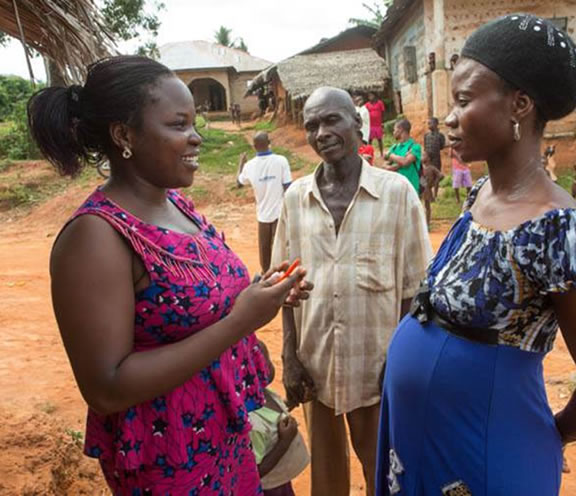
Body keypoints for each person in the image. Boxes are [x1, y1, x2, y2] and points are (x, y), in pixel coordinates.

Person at [27, 55, 312, 495]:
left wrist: (262, 293)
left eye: (193, 123)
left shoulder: (178, 207)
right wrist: (241, 321)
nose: (195, 138)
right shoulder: (97, 237)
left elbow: (198, 305)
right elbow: (106, 387)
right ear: (124, 135)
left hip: (232, 435)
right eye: (178, 125)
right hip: (174, 459)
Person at [377, 15, 576, 496]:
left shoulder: (554, 227)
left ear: (519, 104)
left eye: (464, 100)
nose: (450, 118)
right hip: (420, 442)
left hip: (483, 454)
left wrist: (544, 435)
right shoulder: (480, 196)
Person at [272, 86, 432, 496]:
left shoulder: (397, 195)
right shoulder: (295, 199)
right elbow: (284, 287)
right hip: (315, 366)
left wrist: (400, 363)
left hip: (378, 370)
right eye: (311, 125)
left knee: (386, 475)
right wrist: (291, 357)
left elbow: (416, 292)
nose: (321, 132)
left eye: (331, 120)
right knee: (327, 483)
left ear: (357, 124)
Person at [249, 341, 310, 496]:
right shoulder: (252, 424)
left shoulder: (265, 394)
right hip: (269, 489)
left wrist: (291, 403)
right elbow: (256, 472)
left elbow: (272, 417)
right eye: (264, 364)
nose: (269, 368)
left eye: (268, 361)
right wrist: (285, 441)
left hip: (281, 482)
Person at [237, 132, 292, 272]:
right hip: (280, 214)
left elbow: (239, 182)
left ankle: (266, 275)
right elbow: (288, 188)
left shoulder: (249, 166)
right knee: (281, 248)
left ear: (254, 146)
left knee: (264, 250)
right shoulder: (281, 161)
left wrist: (241, 163)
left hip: (262, 215)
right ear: (269, 143)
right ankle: (282, 276)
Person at [384, 118, 423, 194]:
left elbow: (405, 162)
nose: (393, 132)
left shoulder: (415, 147)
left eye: (394, 129)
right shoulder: (395, 147)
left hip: (411, 188)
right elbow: (384, 165)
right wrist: (398, 165)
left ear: (400, 130)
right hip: (396, 188)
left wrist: (390, 155)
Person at [423, 117, 446, 196]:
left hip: (436, 159)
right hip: (428, 160)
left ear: (436, 124)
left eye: (430, 123)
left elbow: (442, 146)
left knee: (437, 176)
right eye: (428, 123)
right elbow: (425, 147)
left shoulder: (440, 136)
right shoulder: (426, 135)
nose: (428, 125)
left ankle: (435, 194)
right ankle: (429, 194)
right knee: (428, 177)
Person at [420, 151, 442, 229]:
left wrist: (434, 183)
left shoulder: (432, 168)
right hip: (420, 188)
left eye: (424, 155)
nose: (421, 157)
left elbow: (441, 175)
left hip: (426, 189)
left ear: (428, 158)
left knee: (427, 207)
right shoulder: (421, 167)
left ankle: (427, 224)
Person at [365, 92, 386, 157]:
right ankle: (369, 153)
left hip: (378, 124)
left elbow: (383, 112)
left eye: (371, 95)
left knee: (379, 140)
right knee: (370, 140)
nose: (370, 97)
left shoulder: (380, 103)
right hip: (371, 125)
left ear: (374, 96)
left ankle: (381, 153)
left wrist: (382, 122)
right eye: (369, 96)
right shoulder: (367, 105)